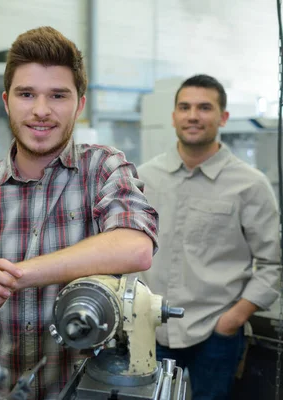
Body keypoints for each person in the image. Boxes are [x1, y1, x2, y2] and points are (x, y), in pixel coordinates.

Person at [0, 26, 159, 399]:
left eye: (58, 95)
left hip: (86, 390)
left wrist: (14, 277)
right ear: (7, 101)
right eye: (26, 94)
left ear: (79, 104)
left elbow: (136, 247)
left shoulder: (102, 168)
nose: (41, 110)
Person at [137, 74, 281, 400]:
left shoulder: (250, 185)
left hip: (214, 336)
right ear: (173, 115)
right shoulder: (144, 178)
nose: (193, 116)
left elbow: (272, 265)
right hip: (148, 331)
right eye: (184, 107)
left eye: (204, 107)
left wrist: (231, 321)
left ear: (223, 117)